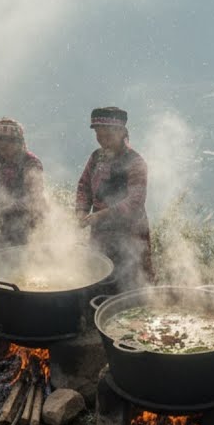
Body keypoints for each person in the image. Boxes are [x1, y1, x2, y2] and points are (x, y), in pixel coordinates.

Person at [75, 106, 153, 291]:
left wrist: (101, 215)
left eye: (107, 136)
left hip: (130, 233)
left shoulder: (135, 162)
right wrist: (81, 211)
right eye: (98, 136)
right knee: (100, 278)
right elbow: (84, 186)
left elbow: (135, 201)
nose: (102, 141)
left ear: (120, 132)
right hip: (101, 233)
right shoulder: (96, 158)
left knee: (131, 282)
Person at [0, 118, 46, 246]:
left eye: (4, 147)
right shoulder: (0, 160)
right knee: (6, 259)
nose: (1, 151)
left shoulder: (31, 163)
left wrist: (2, 210)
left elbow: (33, 198)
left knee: (27, 262)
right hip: (7, 225)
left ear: (17, 142)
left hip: (31, 226)